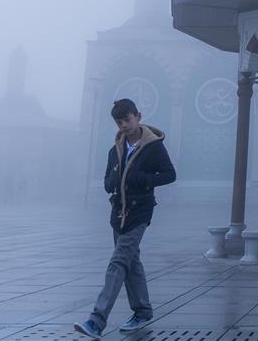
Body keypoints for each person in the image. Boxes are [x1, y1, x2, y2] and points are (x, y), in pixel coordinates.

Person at [75, 98, 176, 339]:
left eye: (127, 120)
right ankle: (142, 311)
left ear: (138, 116)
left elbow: (170, 174)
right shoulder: (116, 149)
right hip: (117, 212)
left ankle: (96, 321)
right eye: (119, 122)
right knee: (131, 262)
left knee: (118, 262)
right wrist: (111, 183)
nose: (124, 125)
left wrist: (142, 178)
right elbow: (107, 179)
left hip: (139, 211)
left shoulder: (153, 147)